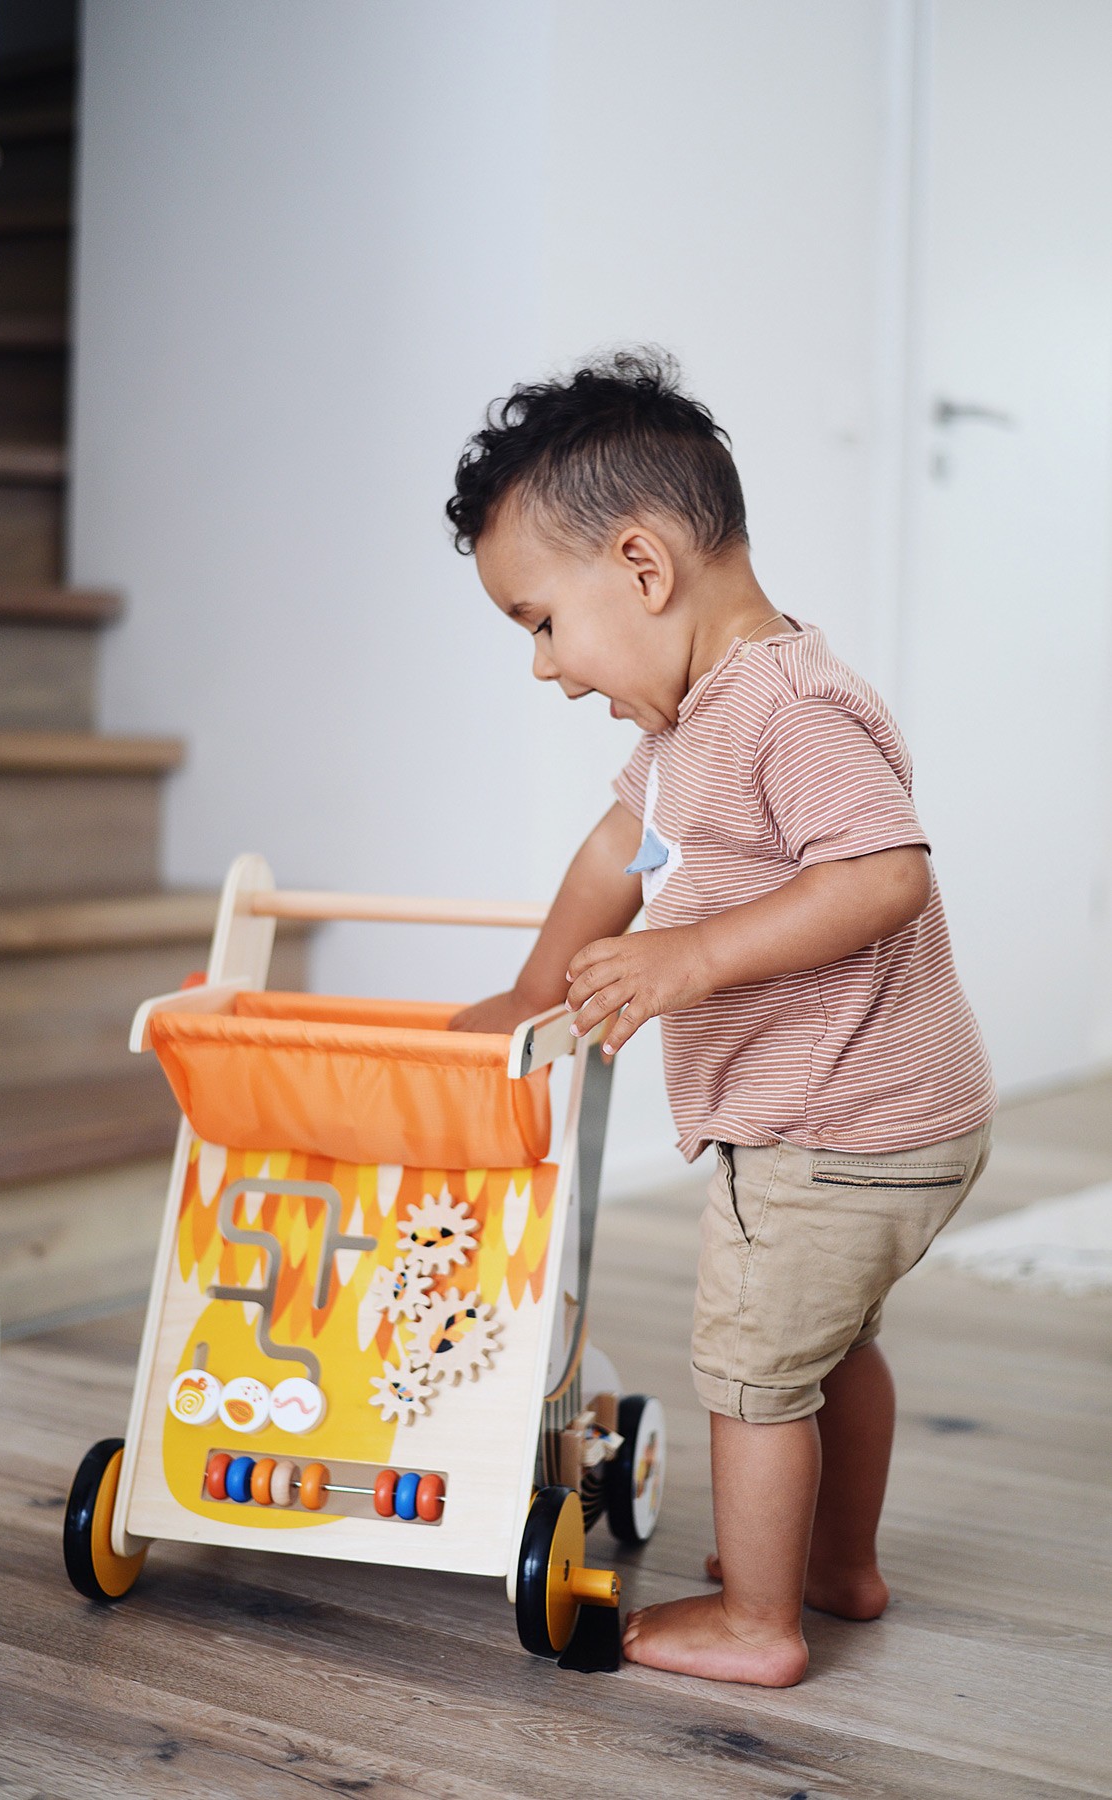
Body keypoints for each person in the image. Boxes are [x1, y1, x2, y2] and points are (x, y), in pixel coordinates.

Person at [443, 349, 997, 1687]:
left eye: (540, 623)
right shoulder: (688, 728)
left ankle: (758, 1623)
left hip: (827, 1128)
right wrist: (536, 987)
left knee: (749, 1371)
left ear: (641, 567)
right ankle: (834, 1567)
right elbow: (616, 852)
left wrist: (690, 959)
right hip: (893, 1118)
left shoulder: (785, 706)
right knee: (827, 1348)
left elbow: (882, 875)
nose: (543, 667)